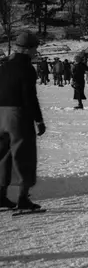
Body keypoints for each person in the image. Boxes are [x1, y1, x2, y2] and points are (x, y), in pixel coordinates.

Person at [0, 31, 47, 212]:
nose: (36, 51)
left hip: (1, 115)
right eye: (35, 48)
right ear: (27, 49)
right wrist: (39, 120)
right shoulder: (27, 68)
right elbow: (30, 97)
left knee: (4, 156)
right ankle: (23, 200)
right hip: (18, 115)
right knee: (24, 155)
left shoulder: (4, 66)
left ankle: (1, 196)